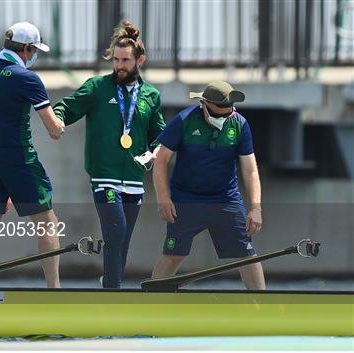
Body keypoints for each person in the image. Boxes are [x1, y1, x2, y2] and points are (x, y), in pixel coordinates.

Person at [53, 21, 165, 288]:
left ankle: (112, 284)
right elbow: (65, 108)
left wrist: (156, 151)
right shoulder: (97, 87)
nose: (119, 65)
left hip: (135, 180)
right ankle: (112, 289)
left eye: (125, 60)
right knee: (116, 230)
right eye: (116, 60)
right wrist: (57, 121)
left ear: (140, 60)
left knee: (122, 238)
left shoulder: (151, 95)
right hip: (105, 177)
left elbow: (159, 134)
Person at [0, 22, 65, 288]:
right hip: (19, 159)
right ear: (26, 49)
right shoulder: (28, 78)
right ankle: (54, 290)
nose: (34, 56)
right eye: (34, 50)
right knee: (47, 221)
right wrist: (59, 127)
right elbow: (52, 127)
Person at [150, 81, 265, 290]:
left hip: (225, 199)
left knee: (247, 255)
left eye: (227, 113)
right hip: (186, 199)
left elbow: (250, 170)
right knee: (173, 255)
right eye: (218, 115)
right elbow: (161, 161)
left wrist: (255, 208)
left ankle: (262, 309)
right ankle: (148, 306)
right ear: (204, 104)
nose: (223, 118)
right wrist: (163, 199)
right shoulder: (184, 120)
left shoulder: (240, 124)